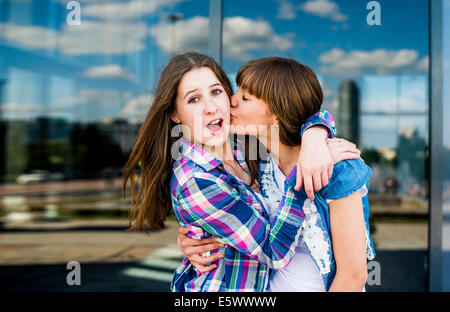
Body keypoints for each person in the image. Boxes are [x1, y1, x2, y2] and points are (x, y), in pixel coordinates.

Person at [123, 52, 356, 291]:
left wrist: (314, 138)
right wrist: (302, 173)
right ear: (174, 114)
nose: (211, 107)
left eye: (216, 92)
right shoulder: (195, 181)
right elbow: (274, 252)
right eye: (194, 100)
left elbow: (301, 111)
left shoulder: (246, 144)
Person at [177, 56, 376, 292]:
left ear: (277, 113)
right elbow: (255, 237)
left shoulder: (338, 168)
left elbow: (353, 277)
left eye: (245, 97)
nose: (231, 101)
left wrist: (315, 137)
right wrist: (193, 237)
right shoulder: (260, 161)